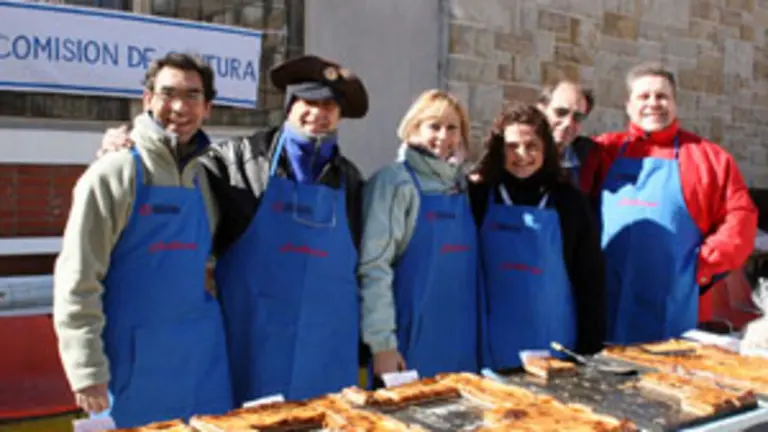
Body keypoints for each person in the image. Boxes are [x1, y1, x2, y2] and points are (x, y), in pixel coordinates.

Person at [98, 55, 369, 404]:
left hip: (327, 349)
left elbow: (366, 267)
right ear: (289, 107)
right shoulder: (233, 161)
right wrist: (123, 144)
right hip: (252, 346)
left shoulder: (352, 180)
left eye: (329, 105)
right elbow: (172, 165)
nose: (318, 114)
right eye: (308, 102)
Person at [53, 53, 233, 428]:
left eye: (192, 95)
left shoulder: (207, 176)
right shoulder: (114, 173)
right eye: (167, 94)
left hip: (202, 363)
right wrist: (87, 369)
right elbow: (78, 279)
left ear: (208, 108)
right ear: (147, 99)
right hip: (132, 367)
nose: (179, 107)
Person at [580, 62, 758, 344]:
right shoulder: (602, 152)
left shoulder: (709, 158)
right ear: (628, 105)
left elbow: (741, 218)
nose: (654, 103)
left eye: (662, 96)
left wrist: (702, 266)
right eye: (644, 96)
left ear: (675, 103)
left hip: (675, 303)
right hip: (606, 297)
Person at [469, 103, 605, 370]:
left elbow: (590, 277)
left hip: (554, 341)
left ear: (546, 149)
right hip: (491, 343)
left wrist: (591, 347)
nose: (522, 155)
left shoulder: (570, 201)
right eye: (512, 146)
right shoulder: (479, 195)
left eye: (532, 146)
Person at [359, 90, 479, 384]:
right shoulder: (395, 183)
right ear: (413, 129)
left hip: (461, 344)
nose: (443, 136)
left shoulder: (462, 187)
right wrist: (382, 345)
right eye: (433, 126)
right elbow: (374, 267)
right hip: (409, 345)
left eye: (452, 128)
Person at [535, 80, 595, 184]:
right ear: (541, 110)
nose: (568, 123)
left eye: (578, 117)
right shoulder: (513, 155)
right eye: (561, 112)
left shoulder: (590, 161)